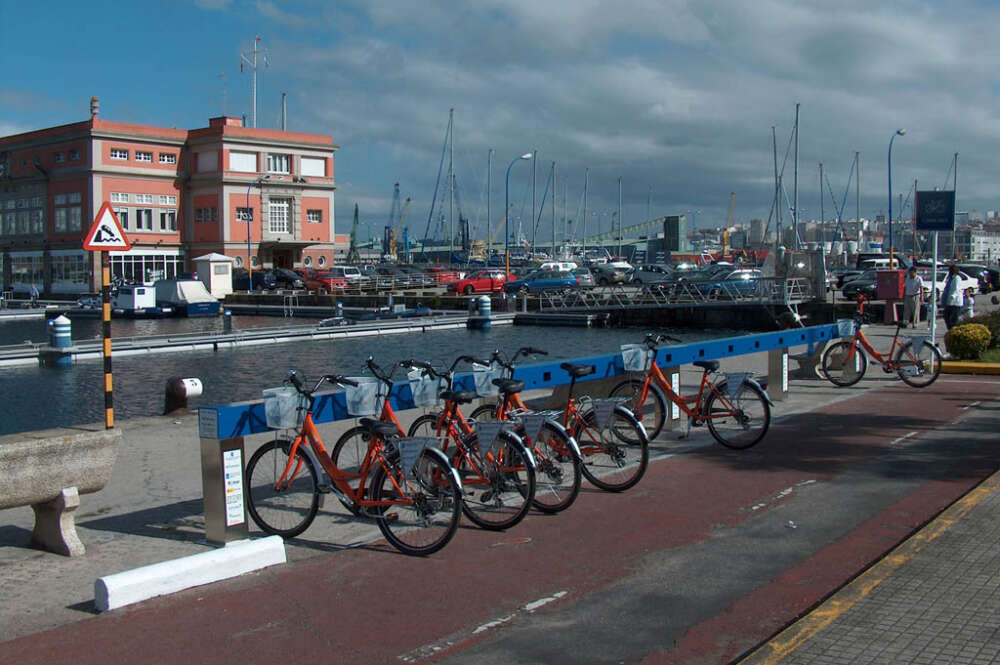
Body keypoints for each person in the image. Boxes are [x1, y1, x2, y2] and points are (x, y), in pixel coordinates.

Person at [941, 264, 964, 330]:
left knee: (953, 319)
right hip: (948, 302)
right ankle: (950, 329)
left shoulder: (957, 278)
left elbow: (956, 289)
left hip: (955, 302)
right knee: (946, 316)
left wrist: (953, 296)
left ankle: (953, 330)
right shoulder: (950, 279)